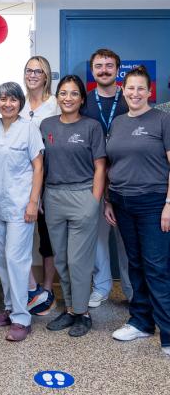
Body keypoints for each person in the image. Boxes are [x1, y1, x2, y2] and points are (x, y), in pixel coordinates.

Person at [105, 66, 170, 357]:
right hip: (122, 202)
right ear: (123, 90)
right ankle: (141, 321)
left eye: (140, 88)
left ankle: (167, 334)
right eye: (130, 88)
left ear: (149, 91)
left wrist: (169, 204)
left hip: (154, 203)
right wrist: (108, 200)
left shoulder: (162, 120)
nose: (135, 93)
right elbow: (112, 165)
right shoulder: (117, 123)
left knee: (156, 267)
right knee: (135, 265)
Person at [0, 82, 43, 342]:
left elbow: (38, 167)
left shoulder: (29, 130)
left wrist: (33, 202)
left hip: (19, 206)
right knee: (3, 259)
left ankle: (22, 318)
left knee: (17, 260)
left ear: (20, 103)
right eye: (3, 99)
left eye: (13, 99)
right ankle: (9, 308)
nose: (7, 103)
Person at [41, 75, 106, 337]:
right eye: (63, 93)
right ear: (57, 97)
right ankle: (70, 310)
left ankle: (83, 313)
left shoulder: (92, 127)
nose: (68, 98)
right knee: (62, 259)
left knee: (79, 260)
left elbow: (100, 167)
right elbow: (38, 166)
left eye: (74, 94)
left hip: (83, 197)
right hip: (53, 197)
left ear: (82, 98)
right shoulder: (46, 125)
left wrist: (94, 201)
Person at [81, 48, 132, 308]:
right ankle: (100, 287)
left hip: (127, 180)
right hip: (95, 180)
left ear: (117, 69)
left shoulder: (131, 99)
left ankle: (132, 291)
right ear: (92, 70)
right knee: (98, 239)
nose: (103, 70)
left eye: (109, 65)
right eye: (98, 66)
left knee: (127, 240)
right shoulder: (84, 102)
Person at [19, 56, 59, 316]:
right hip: (19, 180)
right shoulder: (17, 103)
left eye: (38, 71)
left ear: (46, 77)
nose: (33, 75)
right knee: (20, 237)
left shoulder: (55, 105)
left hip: (48, 178)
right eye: (29, 70)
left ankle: (46, 288)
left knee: (47, 238)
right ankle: (27, 287)